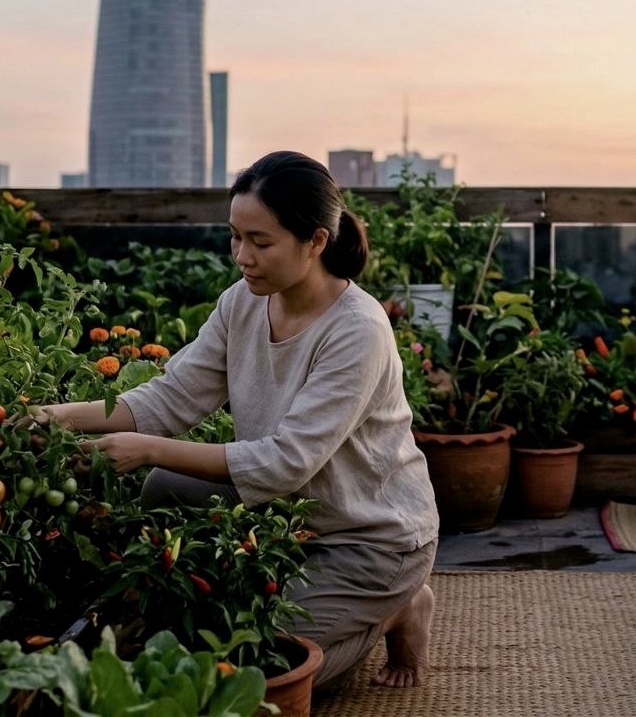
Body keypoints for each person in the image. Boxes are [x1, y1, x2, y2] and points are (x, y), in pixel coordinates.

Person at [35, 151, 439, 691]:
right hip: (290, 517)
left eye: (261, 242)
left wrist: (147, 448)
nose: (242, 256)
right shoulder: (242, 304)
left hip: (368, 537)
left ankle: (395, 607)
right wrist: (55, 417)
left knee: (260, 671)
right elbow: (174, 396)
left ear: (316, 242)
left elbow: (283, 465)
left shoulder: (356, 331)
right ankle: (323, 598)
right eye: (235, 237)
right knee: (166, 489)